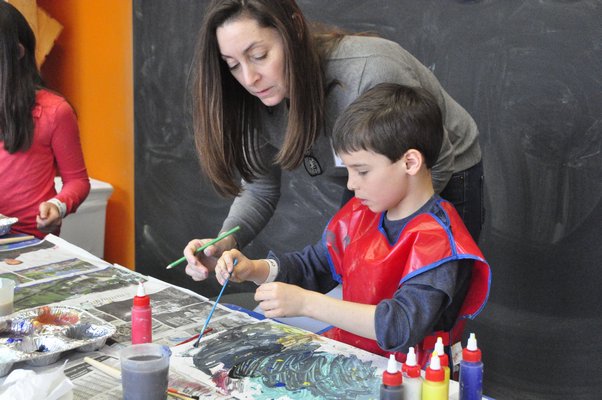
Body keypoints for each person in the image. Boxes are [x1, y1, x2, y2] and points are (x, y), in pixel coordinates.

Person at [189, 83, 491, 365]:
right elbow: (314, 265)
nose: (351, 184)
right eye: (347, 169)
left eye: (362, 171)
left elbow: (400, 326)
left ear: (410, 162)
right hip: (352, 356)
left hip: (414, 377)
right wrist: (255, 269)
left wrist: (307, 304)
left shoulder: (439, 241)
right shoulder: (362, 214)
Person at [184, 0, 484, 278]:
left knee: (419, 304)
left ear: (293, 30)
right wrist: (225, 241)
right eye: (233, 65)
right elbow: (259, 189)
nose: (249, 78)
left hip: (440, 169)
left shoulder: (370, 73)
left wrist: (389, 239)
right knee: (356, 286)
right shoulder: (248, 97)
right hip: (371, 179)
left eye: (259, 56)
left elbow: (438, 159)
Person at [0, 2, 90, 239]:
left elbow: (78, 181)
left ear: (16, 53)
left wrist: (59, 205)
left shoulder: (55, 111)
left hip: (29, 241)